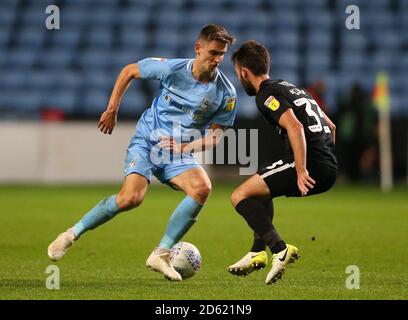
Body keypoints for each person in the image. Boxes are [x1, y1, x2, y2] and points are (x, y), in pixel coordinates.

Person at [47, 24, 237, 282]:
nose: (217, 59)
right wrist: (112, 108)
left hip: (178, 152)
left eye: (222, 54)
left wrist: (185, 147)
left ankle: (160, 253)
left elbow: (215, 136)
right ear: (198, 48)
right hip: (148, 142)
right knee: (131, 199)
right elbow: (129, 71)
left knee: (202, 188)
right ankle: (71, 234)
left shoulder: (225, 93)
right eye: (213, 52)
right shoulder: (171, 69)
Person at [228, 40, 337, 284]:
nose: (239, 78)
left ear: (244, 72)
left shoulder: (266, 94)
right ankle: (257, 252)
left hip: (310, 164)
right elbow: (331, 126)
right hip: (327, 163)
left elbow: (295, 127)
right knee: (259, 189)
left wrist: (301, 170)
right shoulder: (292, 87)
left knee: (239, 196)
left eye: (237, 73)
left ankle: (280, 250)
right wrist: (327, 156)